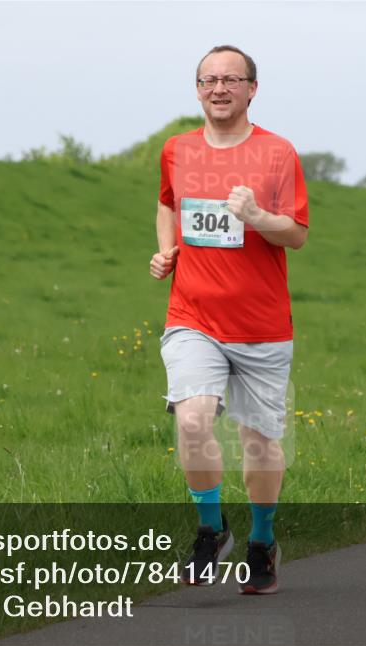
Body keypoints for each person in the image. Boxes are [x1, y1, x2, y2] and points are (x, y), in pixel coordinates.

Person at [149, 45, 309, 595]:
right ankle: (211, 528)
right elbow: (168, 204)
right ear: (197, 89)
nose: (219, 88)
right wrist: (166, 250)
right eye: (208, 80)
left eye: (230, 80)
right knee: (192, 420)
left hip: (262, 323)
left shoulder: (278, 153)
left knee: (260, 443)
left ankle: (262, 540)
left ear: (251, 89)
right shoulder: (176, 149)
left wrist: (260, 217)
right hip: (193, 313)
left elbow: (297, 233)